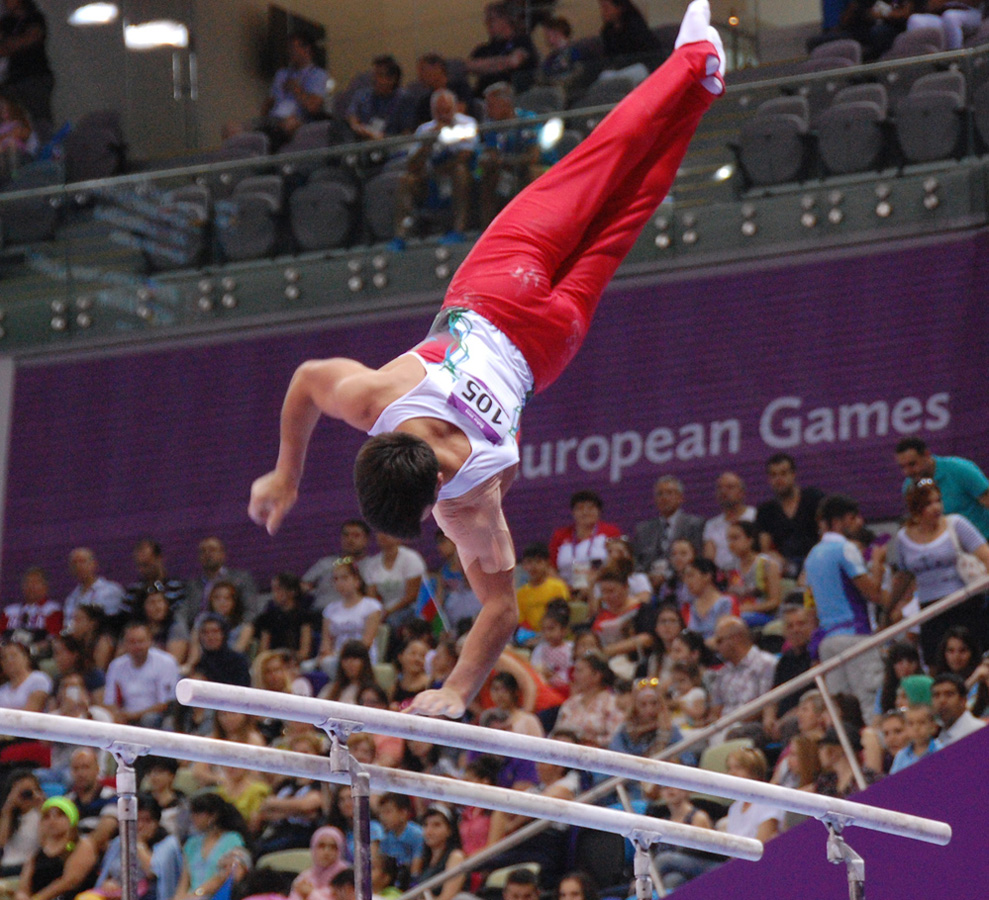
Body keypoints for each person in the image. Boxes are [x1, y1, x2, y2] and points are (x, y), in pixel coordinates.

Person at [248, 0, 725, 719]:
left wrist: (454, 690)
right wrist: (287, 471)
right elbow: (306, 381)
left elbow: (500, 611)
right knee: (597, 169)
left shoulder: (466, 505)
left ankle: (702, 84)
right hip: (501, 287)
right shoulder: (379, 403)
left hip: (550, 346)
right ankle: (690, 60)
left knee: (631, 205)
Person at [803, 494, 887, 722]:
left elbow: (810, 609)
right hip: (854, 639)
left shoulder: (812, 556)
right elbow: (873, 593)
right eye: (854, 518)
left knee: (842, 713)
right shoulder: (846, 548)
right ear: (840, 521)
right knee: (870, 705)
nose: (859, 523)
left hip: (828, 643)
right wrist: (878, 564)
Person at [887, 478, 989, 663]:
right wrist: (888, 610)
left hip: (964, 602)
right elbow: (903, 576)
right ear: (915, 509)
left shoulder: (956, 524)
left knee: (971, 658)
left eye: (938, 501)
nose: (936, 507)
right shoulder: (903, 538)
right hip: (930, 608)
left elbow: (985, 555)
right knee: (935, 661)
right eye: (928, 504)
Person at [391, 88, 478, 248]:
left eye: (447, 110)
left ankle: (459, 230)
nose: (443, 115)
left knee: (460, 171)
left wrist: (439, 169)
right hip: (430, 178)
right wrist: (427, 143)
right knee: (405, 179)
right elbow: (412, 164)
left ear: (455, 108)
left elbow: (465, 155)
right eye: (439, 111)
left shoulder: (467, 123)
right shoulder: (425, 130)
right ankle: (400, 237)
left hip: (457, 175)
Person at [895, 437, 989, 540]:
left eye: (912, 464)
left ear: (926, 455)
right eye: (902, 467)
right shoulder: (909, 487)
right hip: (948, 549)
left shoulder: (960, 469)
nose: (907, 472)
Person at [93, 794, 183, 900]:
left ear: (156, 822)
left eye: (147, 821)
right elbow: (107, 872)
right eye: (136, 820)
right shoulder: (120, 841)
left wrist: (139, 844)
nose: (140, 826)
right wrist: (108, 884)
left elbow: (153, 872)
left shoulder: (168, 843)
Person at [755, 454, 824, 578]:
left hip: (817, 561)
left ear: (793, 474)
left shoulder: (814, 498)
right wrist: (774, 557)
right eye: (773, 475)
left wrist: (813, 563)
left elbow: (825, 534)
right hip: (785, 568)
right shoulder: (765, 510)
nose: (778, 479)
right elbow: (764, 548)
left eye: (783, 473)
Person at [103, 621, 180, 728]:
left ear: (150, 641)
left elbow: (165, 704)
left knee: (150, 719)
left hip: (155, 717)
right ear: (124, 644)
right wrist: (118, 715)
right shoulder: (116, 665)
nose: (137, 646)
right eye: (132, 642)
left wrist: (134, 715)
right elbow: (109, 701)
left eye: (141, 641)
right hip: (125, 716)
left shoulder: (166, 662)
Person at [708, 616, 776, 733]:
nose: (717, 647)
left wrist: (730, 722)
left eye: (720, 641)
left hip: (748, 727)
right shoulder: (723, 673)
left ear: (736, 638)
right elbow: (716, 710)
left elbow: (765, 705)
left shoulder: (766, 664)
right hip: (722, 726)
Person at [175, 794, 248, 900]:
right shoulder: (191, 843)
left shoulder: (232, 839)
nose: (193, 817)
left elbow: (224, 876)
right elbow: (184, 881)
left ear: (213, 815)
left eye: (198, 813)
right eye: (192, 813)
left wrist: (197, 894)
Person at [549, 490, 622, 595]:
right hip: (566, 592)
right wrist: (564, 588)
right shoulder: (560, 535)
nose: (585, 512)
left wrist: (592, 582)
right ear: (573, 512)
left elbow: (617, 564)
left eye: (591, 508)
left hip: (601, 590)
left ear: (599, 511)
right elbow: (551, 568)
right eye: (580, 508)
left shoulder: (610, 532)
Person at [318, 558, 383, 674]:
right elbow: (326, 642)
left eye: (344, 578)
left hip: (361, 657)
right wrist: (328, 653)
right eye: (336, 579)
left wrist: (344, 656)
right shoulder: (330, 609)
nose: (339, 583)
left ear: (356, 580)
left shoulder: (372, 606)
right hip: (335, 658)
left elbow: (367, 642)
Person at [261, 32, 327, 146]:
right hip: (274, 118)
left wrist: (296, 89)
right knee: (232, 128)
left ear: (307, 49)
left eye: (293, 48)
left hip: (298, 120)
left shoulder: (318, 75)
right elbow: (269, 102)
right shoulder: (281, 74)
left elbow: (313, 107)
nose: (290, 52)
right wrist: (263, 118)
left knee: (287, 124)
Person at [634, 476, 705, 581]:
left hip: (684, 582)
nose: (664, 497)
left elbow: (698, 559)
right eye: (660, 494)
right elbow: (637, 562)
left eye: (670, 493)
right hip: (649, 585)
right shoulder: (643, 530)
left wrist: (667, 576)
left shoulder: (695, 525)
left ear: (681, 498)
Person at [466, 2, 539, 97]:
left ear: (505, 19)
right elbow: (468, 66)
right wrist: (501, 63)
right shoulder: (485, 48)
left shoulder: (522, 41)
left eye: (491, 19)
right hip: (482, 97)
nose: (487, 23)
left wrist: (485, 66)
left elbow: (514, 61)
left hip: (512, 96)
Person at [0, 0, 54, 126]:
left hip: (36, 75)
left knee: (40, 117)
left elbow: (32, 38)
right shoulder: (6, 23)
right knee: (10, 114)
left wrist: (11, 45)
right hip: (13, 79)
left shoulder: (34, 17)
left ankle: (48, 143)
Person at [554, 653, 625, 747]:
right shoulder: (571, 703)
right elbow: (556, 732)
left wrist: (593, 741)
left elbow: (615, 736)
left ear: (597, 675)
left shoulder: (611, 703)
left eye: (579, 671)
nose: (574, 675)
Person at [185, 537, 258, 626]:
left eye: (212, 550)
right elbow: (188, 615)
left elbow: (251, 612)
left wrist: (238, 631)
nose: (208, 554)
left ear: (223, 554)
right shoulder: (192, 585)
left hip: (234, 631)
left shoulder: (240, 579)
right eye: (203, 551)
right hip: (200, 633)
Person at [725, 521, 783, 627]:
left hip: (766, 616)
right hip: (739, 613)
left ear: (750, 540)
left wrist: (749, 608)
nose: (731, 544)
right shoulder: (730, 568)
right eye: (729, 539)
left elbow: (775, 601)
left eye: (735, 538)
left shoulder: (768, 564)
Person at [346, 55, 414, 141]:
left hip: (391, 144)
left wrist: (382, 137)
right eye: (374, 74)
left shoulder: (404, 99)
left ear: (392, 79)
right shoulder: (362, 95)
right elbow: (352, 115)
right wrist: (358, 128)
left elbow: (407, 132)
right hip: (363, 142)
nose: (375, 79)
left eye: (380, 75)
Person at [255, 573, 316, 661]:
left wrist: (289, 659)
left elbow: (305, 652)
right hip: (273, 660)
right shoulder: (268, 617)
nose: (274, 594)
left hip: (296, 660)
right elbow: (264, 649)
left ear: (292, 592)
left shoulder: (304, 616)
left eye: (278, 589)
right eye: (273, 590)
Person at [703, 472, 757, 571]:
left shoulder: (755, 516)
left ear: (742, 492)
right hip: (722, 578)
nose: (724, 492)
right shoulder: (711, 525)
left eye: (730, 487)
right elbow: (708, 561)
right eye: (720, 488)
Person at [409, 804, 465, 900]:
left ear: (449, 830)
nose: (429, 831)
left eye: (436, 825)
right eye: (426, 825)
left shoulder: (456, 857)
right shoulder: (425, 860)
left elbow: (447, 897)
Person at [516, 543, 570, 634]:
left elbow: (562, 615)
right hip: (531, 636)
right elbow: (521, 621)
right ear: (523, 565)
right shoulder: (520, 593)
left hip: (554, 634)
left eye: (538, 562)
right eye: (529, 562)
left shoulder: (558, 587)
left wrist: (547, 633)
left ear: (547, 564)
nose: (533, 567)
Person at [62, 548, 124, 626]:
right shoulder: (71, 599)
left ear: (94, 564)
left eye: (82, 562)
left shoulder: (110, 591)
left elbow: (112, 622)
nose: (78, 566)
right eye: (74, 563)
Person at [0, 770, 44, 877]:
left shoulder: (41, 815)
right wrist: (9, 809)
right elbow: (1, 842)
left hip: (29, 868)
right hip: (6, 867)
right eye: (22, 793)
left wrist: (42, 808)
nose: (26, 796)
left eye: (29, 792)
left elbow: (46, 843)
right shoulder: (7, 816)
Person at [815, 725, 882, 795]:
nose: (819, 752)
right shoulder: (826, 782)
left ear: (834, 750)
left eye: (822, 747)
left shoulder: (869, 778)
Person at [288, 826, 348, 900]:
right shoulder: (305, 877)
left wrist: (311, 894)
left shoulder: (346, 877)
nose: (327, 852)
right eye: (321, 846)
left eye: (333, 847)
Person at [931, 673, 986, 746]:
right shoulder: (935, 733)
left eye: (949, 694)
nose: (942, 700)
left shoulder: (978, 732)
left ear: (963, 700)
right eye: (936, 695)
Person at [889, 705, 940, 774]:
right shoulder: (901, 756)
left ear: (933, 727)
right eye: (911, 724)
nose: (916, 728)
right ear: (905, 728)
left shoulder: (941, 749)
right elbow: (893, 781)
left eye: (922, 722)